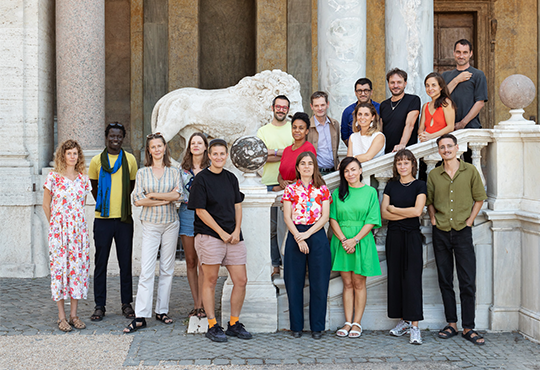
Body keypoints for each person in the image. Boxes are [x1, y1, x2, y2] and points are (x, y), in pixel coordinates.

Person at [188, 139, 252, 342]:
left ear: (227, 155)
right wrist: (221, 233)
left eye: (222, 154)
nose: (218, 157)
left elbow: (237, 205)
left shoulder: (231, 178)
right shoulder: (201, 179)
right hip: (209, 235)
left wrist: (236, 230)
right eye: (214, 154)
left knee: (241, 280)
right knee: (210, 280)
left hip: (233, 236)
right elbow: (200, 210)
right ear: (209, 155)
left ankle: (233, 323)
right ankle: (213, 325)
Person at [427, 133, 487, 345]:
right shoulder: (434, 174)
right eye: (442, 147)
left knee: (467, 280)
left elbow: (480, 198)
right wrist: (433, 219)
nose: (446, 150)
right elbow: (430, 201)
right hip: (440, 231)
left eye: (449, 146)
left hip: (463, 231)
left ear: (457, 147)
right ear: (439, 150)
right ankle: (451, 323)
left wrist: (470, 220)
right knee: (445, 279)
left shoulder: (470, 170)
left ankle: (468, 327)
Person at [123, 133, 182, 333]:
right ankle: (140, 315)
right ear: (149, 150)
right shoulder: (142, 173)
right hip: (150, 224)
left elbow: (178, 195)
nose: (156, 149)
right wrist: (167, 199)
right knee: (147, 270)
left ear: (165, 148)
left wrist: (155, 196)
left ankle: (162, 310)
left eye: (159, 146)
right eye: (153, 147)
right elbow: (138, 200)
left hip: (171, 224)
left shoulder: (174, 172)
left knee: (167, 269)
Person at [89, 122, 138, 321]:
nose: (115, 140)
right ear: (106, 137)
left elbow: (131, 185)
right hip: (103, 220)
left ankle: (126, 304)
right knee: (100, 263)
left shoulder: (130, 160)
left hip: (124, 219)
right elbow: (94, 187)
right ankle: (99, 305)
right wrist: (106, 205)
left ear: (123, 138)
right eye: (112, 136)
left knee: (125, 263)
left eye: (119, 136)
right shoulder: (96, 161)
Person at [329, 157, 381, 339]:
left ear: (360, 170)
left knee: (359, 283)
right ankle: (347, 322)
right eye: (346, 171)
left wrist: (355, 240)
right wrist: (344, 240)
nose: (350, 174)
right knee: (347, 283)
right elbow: (332, 218)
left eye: (353, 169)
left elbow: (372, 219)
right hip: (342, 241)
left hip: (362, 240)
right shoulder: (338, 193)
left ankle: (357, 323)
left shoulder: (370, 192)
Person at [43, 140, 92, 332]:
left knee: (76, 271)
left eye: (75, 153)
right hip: (59, 232)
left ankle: (74, 315)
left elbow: (81, 206)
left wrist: (75, 226)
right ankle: (61, 317)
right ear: (62, 155)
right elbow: (46, 205)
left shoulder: (83, 179)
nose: (72, 156)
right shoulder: (53, 178)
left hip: (78, 233)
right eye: (69, 153)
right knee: (60, 271)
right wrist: (55, 226)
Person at [282, 151, 332, 340]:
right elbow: (287, 216)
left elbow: (325, 216)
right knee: (294, 282)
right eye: (303, 163)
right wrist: (299, 237)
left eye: (310, 163)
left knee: (319, 282)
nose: (306, 166)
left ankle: (317, 327)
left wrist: (308, 235)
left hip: (316, 234)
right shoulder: (290, 189)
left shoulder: (323, 189)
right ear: (297, 167)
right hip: (296, 234)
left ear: (314, 167)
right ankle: (296, 326)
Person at [381, 149, 427, 345]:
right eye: (399, 163)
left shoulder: (420, 185)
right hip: (394, 236)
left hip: (412, 237)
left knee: (412, 279)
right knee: (396, 279)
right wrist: (400, 213)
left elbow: (417, 211)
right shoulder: (391, 186)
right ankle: (403, 322)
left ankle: (415, 327)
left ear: (412, 165)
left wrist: (395, 210)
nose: (403, 166)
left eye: (406, 163)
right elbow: (384, 214)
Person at [257, 95, 294, 277]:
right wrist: (284, 152)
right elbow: (260, 156)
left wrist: (273, 153)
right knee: (271, 229)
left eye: (284, 107)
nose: (281, 109)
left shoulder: (292, 129)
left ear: (288, 109)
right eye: (278, 106)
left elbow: (296, 155)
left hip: (290, 183)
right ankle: (275, 264)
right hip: (269, 184)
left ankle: (289, 263)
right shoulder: (263, 131)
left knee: (289, 226)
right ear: (273, 108)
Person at [178, 132, 210, 319]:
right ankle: (197, 304)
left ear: (205, 146)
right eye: (193, 143)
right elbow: (178, 192)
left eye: (199, 143)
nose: (196, 146)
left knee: (205, 263)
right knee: (191, 261)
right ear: (189, 147)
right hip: (188, 215)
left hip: (207, 215)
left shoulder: (211, 168)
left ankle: (206, 303)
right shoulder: (182, 170)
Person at [442, 39, 488, 131]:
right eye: (458, 52)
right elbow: (441, 97)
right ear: (454, 53)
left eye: (465, 52)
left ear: (470, 54)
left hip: (471, 127)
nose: (461, 56)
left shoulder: (478, 75)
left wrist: (462, 123)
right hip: (447, 128)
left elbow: (480, 103)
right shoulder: (445, 75)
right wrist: (457, 80)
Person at [379, 69, 421, 154]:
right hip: (386, 153)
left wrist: (402, 145)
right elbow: (380, 130)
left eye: (399, 82)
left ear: (405, 83)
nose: (395, 85)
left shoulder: (413, 100)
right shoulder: (383, 105)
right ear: (388, 84)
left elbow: (410, 125)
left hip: (406, 151)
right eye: (392, 82)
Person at [277, 112, 316, 189]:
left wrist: (292, 185)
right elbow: (281, 173)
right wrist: (282, 182)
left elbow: (309, 172)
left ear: (307, 131)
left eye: (301, 128)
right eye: (294, 127)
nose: (297, 130)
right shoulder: (286, 150)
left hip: (300, 191)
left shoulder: (308, 148)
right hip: (284, 191)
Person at [307, 91, 340, 175]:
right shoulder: (307, 127)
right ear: (311, 107)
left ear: (327, 104)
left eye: (322, 105)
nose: (320, 108)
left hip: (335, 171)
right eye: (316, 106)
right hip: (317, 173)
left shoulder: (335, 124)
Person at [341, 78, 381, 146]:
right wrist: (355, 148)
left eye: (366, 90)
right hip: (354, 150)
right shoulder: (348, 111)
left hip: (377, 150)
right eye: (359, 91)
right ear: (355, 93)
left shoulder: (380, 108)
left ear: (371, 92)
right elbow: (344, 136)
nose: (363, 94)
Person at [418, 73, 456, 142]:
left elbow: (450, 127)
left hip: (442, 143)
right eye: (427, 86)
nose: (430, 89)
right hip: (427, 143)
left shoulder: (446, 102)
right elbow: (421, 127)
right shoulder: (425, 106)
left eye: (433, 85)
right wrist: (422, 135)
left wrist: (430, 136)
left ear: (440, 87)